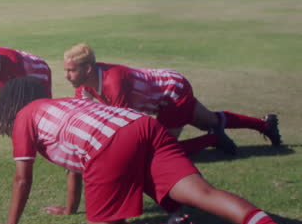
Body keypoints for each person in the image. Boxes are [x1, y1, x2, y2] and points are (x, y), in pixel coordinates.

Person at [0, 77, 301, 224]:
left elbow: (22, 179)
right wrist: (69, 207)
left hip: (108, 144)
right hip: (141, 125)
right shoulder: (64, 104)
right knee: (203, 193)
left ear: (10, 106)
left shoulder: (24, 118)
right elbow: (72, 166)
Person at [62, 43, 281, 156]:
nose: (66, 76)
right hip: (166, 87)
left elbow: (123, 125)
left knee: (161, 149)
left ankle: (213, 140)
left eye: (71, 71)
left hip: (171, 91)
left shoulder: (113, 82)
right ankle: (265, 124)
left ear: (88, 68)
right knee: (211, 121)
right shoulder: (83, 83)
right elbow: (86, 115)